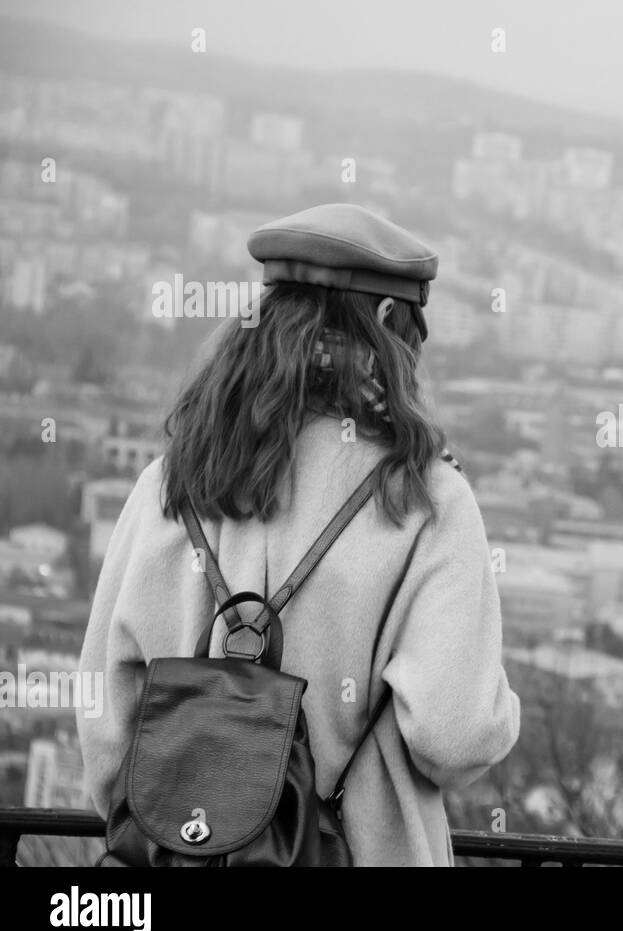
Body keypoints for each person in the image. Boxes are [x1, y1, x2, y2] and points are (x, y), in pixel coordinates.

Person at [77, 203, 520, 866]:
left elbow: (107, 738)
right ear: (392, 328)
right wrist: (501, 707)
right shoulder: (428, 499)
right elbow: (454, 736)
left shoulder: (171, 480)